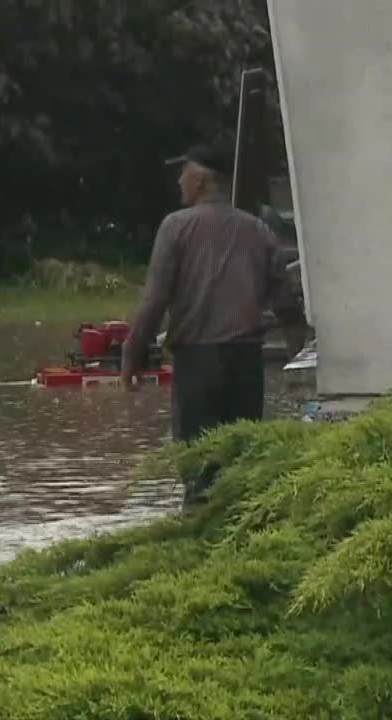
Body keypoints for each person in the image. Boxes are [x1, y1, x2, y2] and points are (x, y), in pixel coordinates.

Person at [120, 140, 292, 499]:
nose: (178, 182)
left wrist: (131, 353)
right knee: (241, 468)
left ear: (199, 180)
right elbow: (286, 303)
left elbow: (155, 299)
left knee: (199, 469)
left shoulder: (175, 227)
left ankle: (198, 531)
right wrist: (297, 355)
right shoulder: (258, 230)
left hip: (198, 363)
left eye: (182, 173)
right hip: (247, 365)